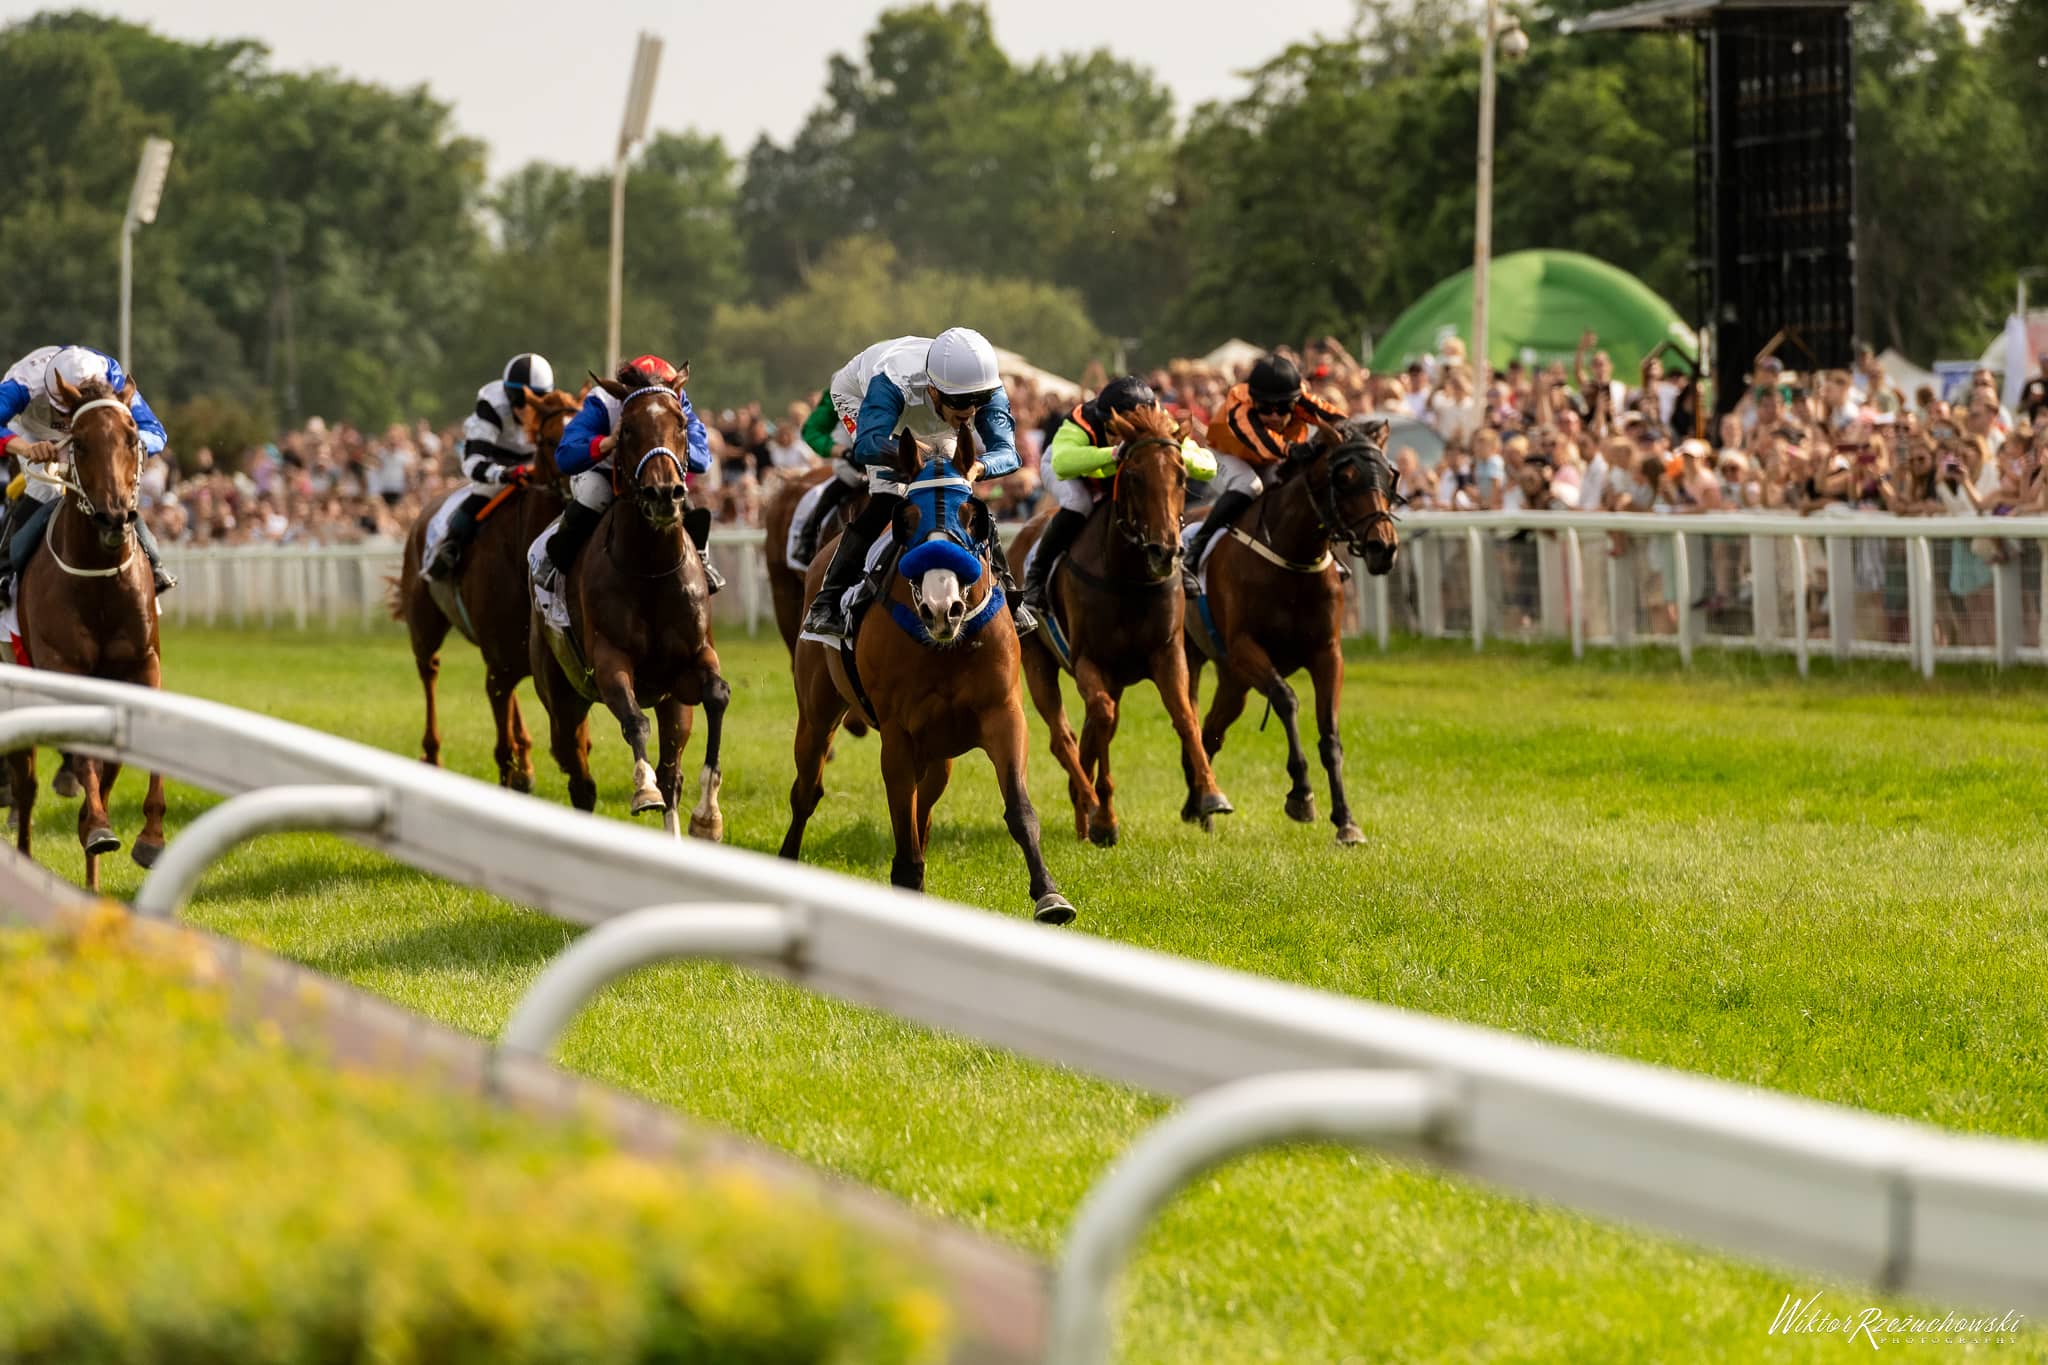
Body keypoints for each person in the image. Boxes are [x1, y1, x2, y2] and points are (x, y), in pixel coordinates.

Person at [799, 328, 1032, 641]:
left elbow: (1008, 453)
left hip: (929, 415)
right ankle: (827, 601)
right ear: (935, 392)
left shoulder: (981, 387)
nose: (971, 411)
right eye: (961, 404)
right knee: (888, 496)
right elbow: (868, 446)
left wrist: (978, 466)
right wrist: (909, 454)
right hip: (862, 396)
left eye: (977, 403)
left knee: (959, 497)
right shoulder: (892, 380)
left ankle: (1010, 595)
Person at [1020, 375, 1217, 615]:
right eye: (1114, 431)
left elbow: (1209, 466)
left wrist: (1166, 454)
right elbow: (1062, 463)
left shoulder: (1161, 423)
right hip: (1069, 469)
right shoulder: (1081, 420)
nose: (1121, 437)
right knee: (1078, 502)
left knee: (1157, 494)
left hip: (1127, 469)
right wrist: (1113, 453)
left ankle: (1175, 561)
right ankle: (1035, 578)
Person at [0, 344, 175, 609]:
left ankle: (154, 563)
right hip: (32, 431)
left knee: (110, 487)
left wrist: (118, 445)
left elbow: (155, 432)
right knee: (47, 489)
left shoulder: (112, 377)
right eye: (63, 409)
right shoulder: (23, 383)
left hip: (93, 431)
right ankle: (4, 572)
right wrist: (26, 448)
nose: (65, 419)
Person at [538, 353, 722, 596]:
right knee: (596, 494)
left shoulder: (677, 400)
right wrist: (606, 443)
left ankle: (701, 560)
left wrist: (672, 438)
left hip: (651, 472)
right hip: (602, 471)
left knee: (682, 497)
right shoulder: (602, 401)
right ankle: (554, 564)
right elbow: (565, 456)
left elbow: (703, 460)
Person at [1183, 354, 1346, 582]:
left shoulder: (1301, 400)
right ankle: (1195, 550)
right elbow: (1263, 441)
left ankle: (1327, 555)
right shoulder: (1239, 408)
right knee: (1249, 485)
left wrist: (1352, 434)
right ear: (1253, 400)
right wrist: (1292, 450)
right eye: (1265, 408)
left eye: (1282, 409)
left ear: (1295, 401)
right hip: (1225, 456)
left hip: (1265, 459)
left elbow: (1335, 417)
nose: (1274, 416)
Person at [423, 352, 553, 581]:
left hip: (534, 463)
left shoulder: (554, 409)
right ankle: (449, 546)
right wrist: (504, 474)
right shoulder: (492, 405)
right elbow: (472, 464)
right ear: (506, 392)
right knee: (484, 492)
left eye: (533, 399)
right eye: (517, 397)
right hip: (495, 460)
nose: (524, 407)